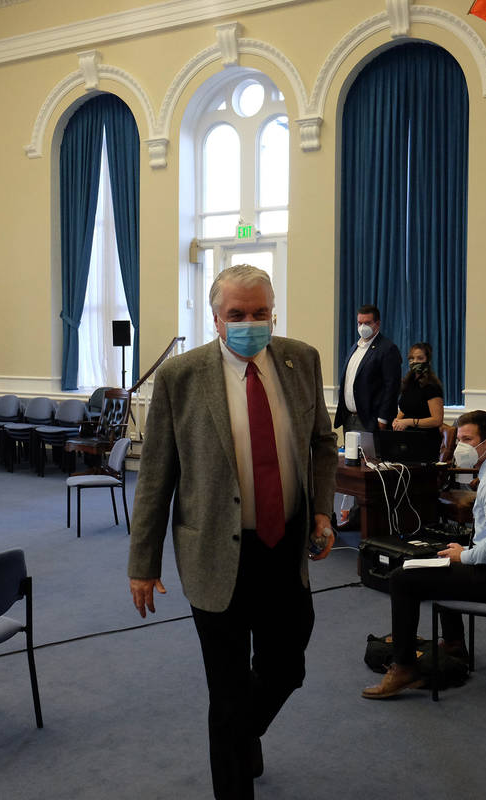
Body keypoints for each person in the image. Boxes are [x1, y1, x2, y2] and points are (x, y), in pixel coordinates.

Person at [127, 264, 338, 800]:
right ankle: (234, 764)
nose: (250, 322)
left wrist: (320, 512)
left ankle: (243, 732)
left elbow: (321, 443)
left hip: (284, 547)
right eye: (237, 315)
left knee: (286, 668)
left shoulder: (301, 360)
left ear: (273, 311)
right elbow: (155, 478)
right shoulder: (181, 377)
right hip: (215, 555)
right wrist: (142, 565)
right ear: (216, 318)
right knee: (226, 693)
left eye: (260, 312)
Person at [362, 410, 486, 699]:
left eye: (468, 439)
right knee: (442, 557)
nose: (461, 446)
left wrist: (465, 556)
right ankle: (455, 644)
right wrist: (461, 554)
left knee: (401, 579)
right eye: (459, 439)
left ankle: (404, 667)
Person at [333, 303, 402, 433]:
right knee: (350, 454)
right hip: (349, 417)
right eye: (360, 323)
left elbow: (392, 387)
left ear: (377, 324)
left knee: (371, 454)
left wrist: (383, 419)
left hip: (371, 420)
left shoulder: (387, 349)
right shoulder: (355, 347)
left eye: (368, 323)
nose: (363, 327)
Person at [392, 342, 444, 431]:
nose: (415, 361)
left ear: (428, 361)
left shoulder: (432, 386)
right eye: (411, 358)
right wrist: (397, 421)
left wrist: (408, 422)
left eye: (420, 358)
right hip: (406, 433)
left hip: (424, 437)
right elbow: (405, 409)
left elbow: (437, 420)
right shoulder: (409, 383)